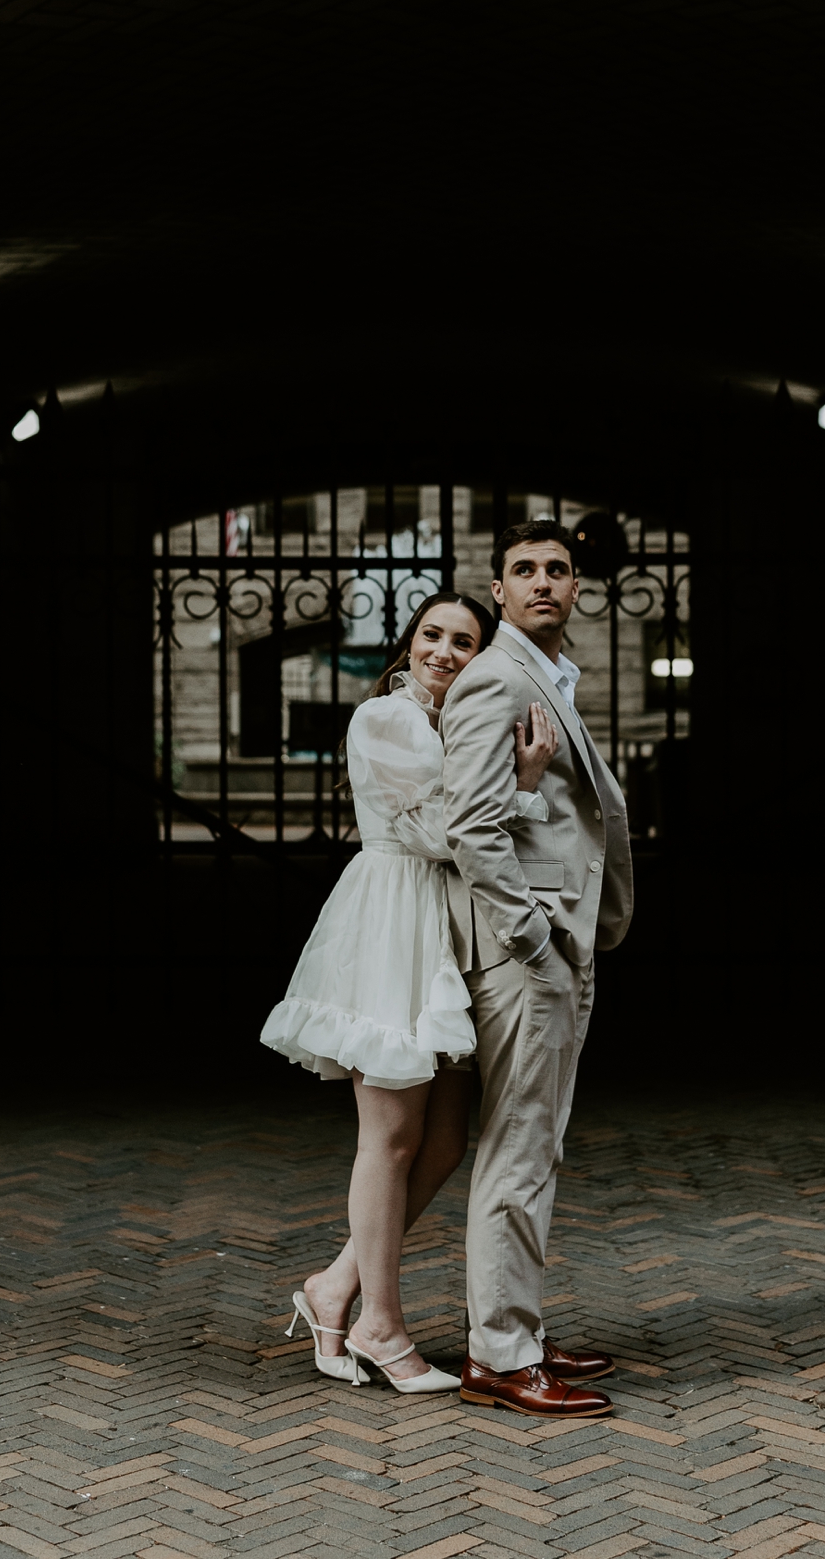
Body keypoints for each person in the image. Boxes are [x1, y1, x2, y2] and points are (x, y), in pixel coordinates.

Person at [260, 587, 560, 1393]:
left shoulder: (452, 723)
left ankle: (333, 1285)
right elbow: (445, 833)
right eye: (432, 635)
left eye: (464, 643)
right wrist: (523, 784)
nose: (444, 653)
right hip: (393, 925)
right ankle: (380, 1326)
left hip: (446, 929)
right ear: (409, 642)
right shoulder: (386, 719)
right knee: (389, 1140)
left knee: (446, 1138)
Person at [439, 519, 635, 1418]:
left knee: (537, 1146)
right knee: (518, 1149)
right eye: (525, 571)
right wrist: (534, 942)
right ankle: (501, 1356)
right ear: (499, 587)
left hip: (564, 942)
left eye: (559, 569)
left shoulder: (548, 675)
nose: (545, 582)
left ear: (578, 586)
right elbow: (472, 827)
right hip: (533, 952)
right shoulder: (496, 677)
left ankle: (518, 1327)